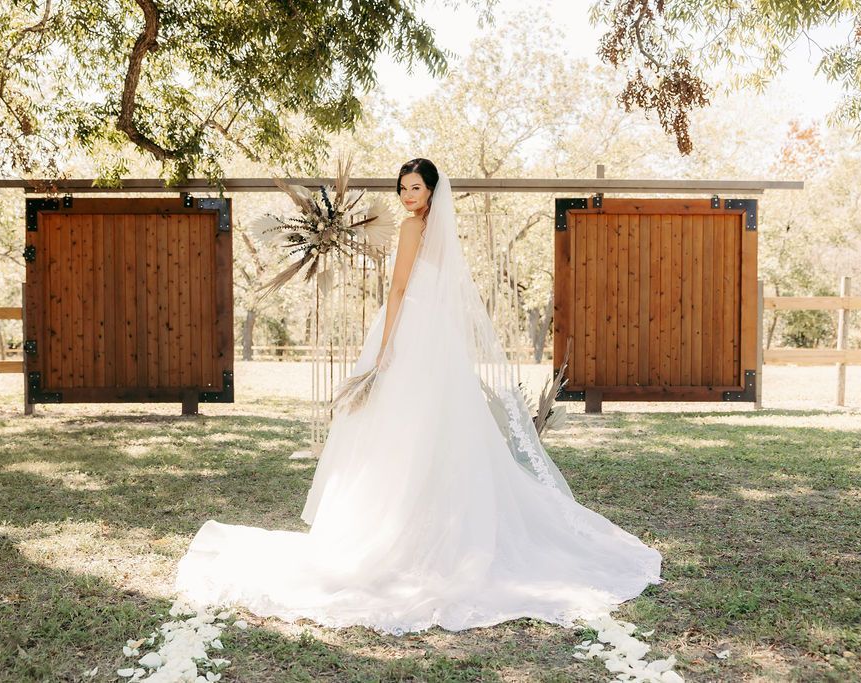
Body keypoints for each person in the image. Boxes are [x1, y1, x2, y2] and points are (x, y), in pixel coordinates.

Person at [173, 159, 663, 636]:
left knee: (397, 427)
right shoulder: (440, 234)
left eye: (416, 188)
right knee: (435, 426)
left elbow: (400, 288)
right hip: (438, 340)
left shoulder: (412, 230)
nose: (408, 196)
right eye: (403, 188)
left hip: (409, 333)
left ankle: (395, 529)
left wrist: (384, 348)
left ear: (431, 192)